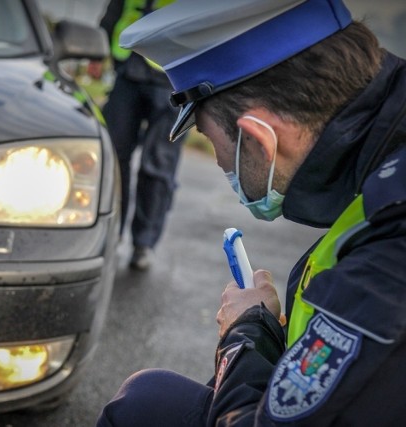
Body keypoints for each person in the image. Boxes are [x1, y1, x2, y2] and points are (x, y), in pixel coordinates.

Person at [97, 0, 406, 425]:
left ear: (259, 140)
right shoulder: (385, 166)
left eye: (208, 138)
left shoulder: (387, 262)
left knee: (143, 401)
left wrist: (247, 331)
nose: (223, 164)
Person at [93, 0, 183, 270]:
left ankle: (143, 242)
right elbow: (117, 7)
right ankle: (111, 232)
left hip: (172, 77)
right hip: (128, 71)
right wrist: (98, 50)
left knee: (157, 164)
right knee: (113, 157)